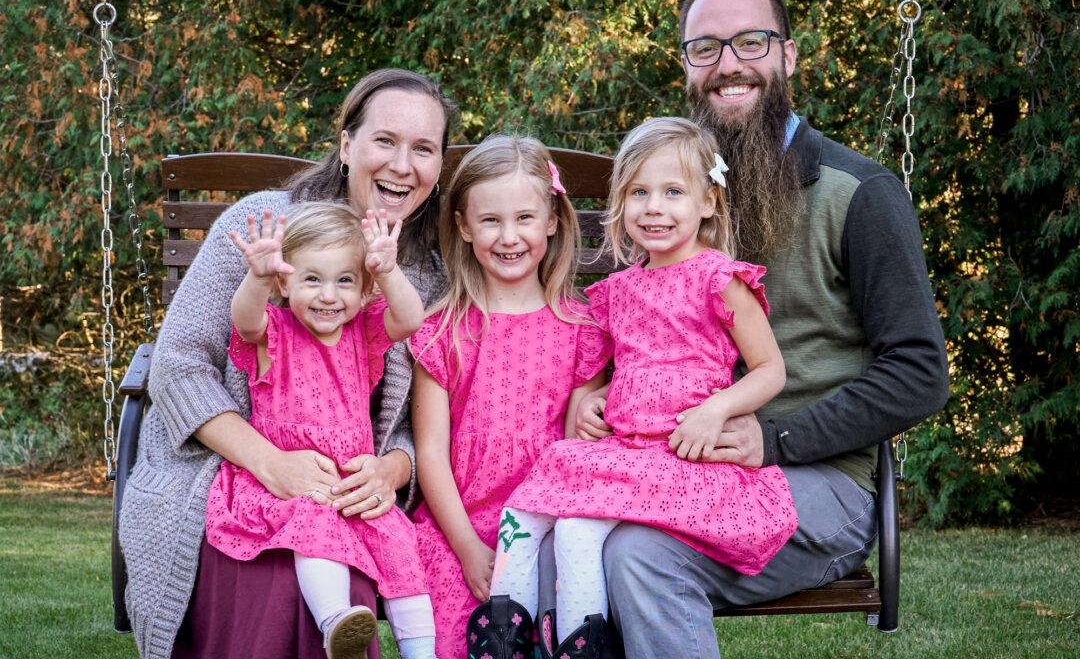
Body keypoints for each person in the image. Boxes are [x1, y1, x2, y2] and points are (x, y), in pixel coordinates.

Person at [575, 0, 949, 658]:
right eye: (706, 48)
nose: (729, 65)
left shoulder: (858, 193)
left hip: (813, 479)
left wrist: (775, 442)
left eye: (752, 41)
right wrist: (594, 392)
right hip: (670, 462)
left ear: (789, 55)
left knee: (640, 556)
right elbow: (637, 336)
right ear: (686, 66)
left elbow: (919, 373)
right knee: (554, 526)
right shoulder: (671, 195)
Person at [118, 68, 456, 659]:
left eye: (423, 149)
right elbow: (178, 363)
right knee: (275, 580)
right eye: (386, 141)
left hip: (347, 485)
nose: (403, 165)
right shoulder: (263, 228)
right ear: (347, 146)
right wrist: (271, 464)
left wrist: (390, 471)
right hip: (226, 470)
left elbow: (424, 409)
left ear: (438, 166)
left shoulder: (425, 272)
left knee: (348, 573)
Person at [480, 117, 795, 658]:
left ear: (708, 203)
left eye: (673, 192)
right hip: (625, 449)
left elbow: (770, 369)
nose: (654, 207)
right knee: (541, 515)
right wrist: (594, 404)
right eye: (639, 193)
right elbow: (601, 378)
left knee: (574, 526)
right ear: (621, 206)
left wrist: (716, 410)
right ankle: (509, 631)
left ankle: (572, 643)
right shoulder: (618, 291)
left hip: (680, 454)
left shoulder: (719, 279)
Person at [407, 135, 610, 659]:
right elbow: (430, 453)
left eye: (524, 218)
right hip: (460, 526)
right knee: (469, 638)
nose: (509, 236)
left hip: (545, 521)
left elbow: (575, 448)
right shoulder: (442, 330)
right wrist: (470, 548)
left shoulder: (580, 327)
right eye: (491, 220)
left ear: (551, 220)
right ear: (463, 227)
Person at [208, 201, 432, 659]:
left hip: (348, 481)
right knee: (315, 528)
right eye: (313, 279)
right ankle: (336, 622)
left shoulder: (363, 335)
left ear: (365, 288)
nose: (329, 295)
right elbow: (244, 319)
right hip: (292, 487)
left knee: (401, 546)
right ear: (285, 281)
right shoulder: (275, 334)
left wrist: (387, 270)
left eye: (344, 281)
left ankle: (420, 651)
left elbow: (410, 320)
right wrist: (257, 277)